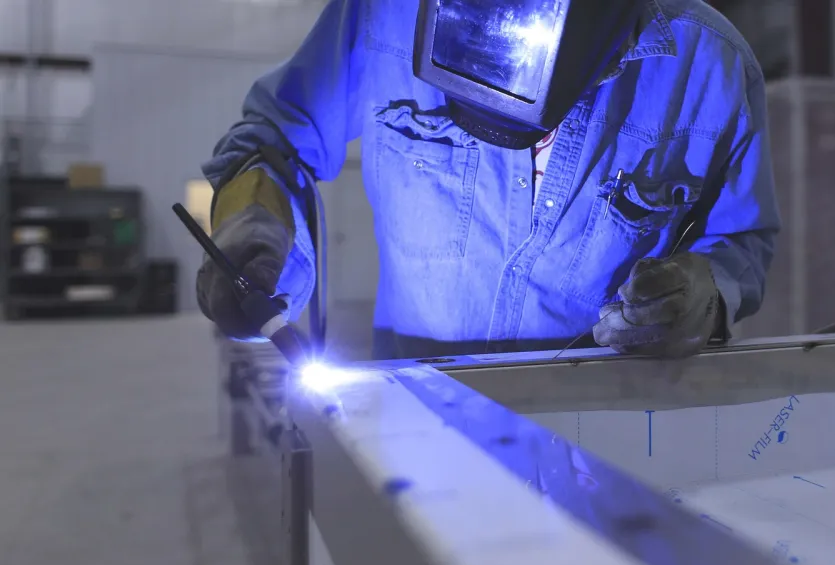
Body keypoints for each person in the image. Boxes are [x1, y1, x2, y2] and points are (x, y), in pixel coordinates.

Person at [196, 0, 779, 361]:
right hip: (415, 431)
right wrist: (255, 225)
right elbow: (275, 138)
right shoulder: (383, 12)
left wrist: (705, 292)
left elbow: (743, 241)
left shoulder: (708, 67)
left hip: (594, 443)